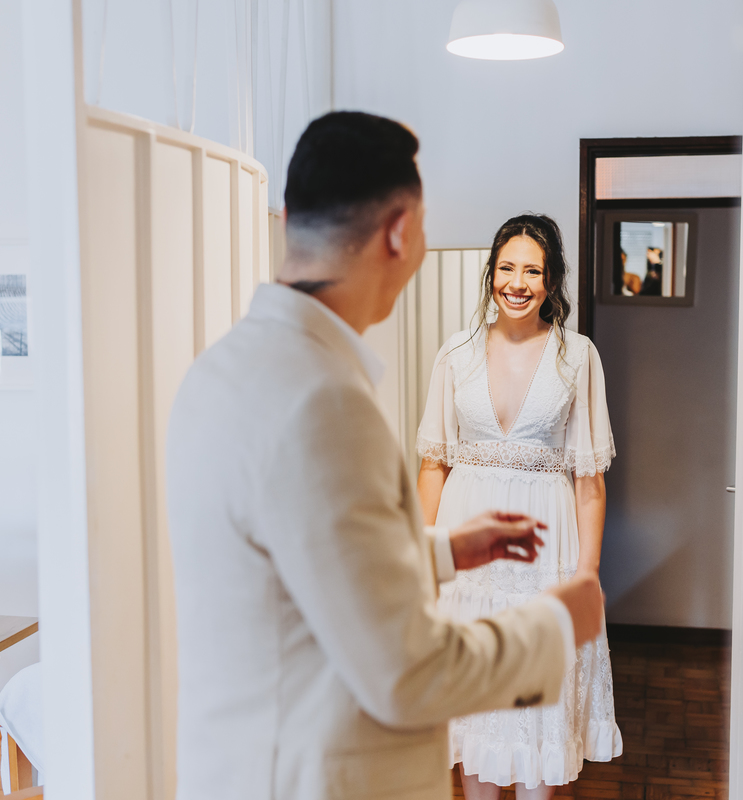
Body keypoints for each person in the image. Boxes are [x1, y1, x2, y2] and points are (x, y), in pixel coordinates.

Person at [166, 112, 606, 800]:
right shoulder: (324, 402)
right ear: (401, 233)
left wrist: (445, 550)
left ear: (290, 219)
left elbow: (310, 563)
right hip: (317, 777)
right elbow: (406, 673)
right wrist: (556, 626)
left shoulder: (218, 370)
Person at [416, 214, 622, 799]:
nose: (517, 282)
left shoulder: (576, 356)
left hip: (544, 557)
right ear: (492, 273)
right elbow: (433, 467)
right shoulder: (456, 353)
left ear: (551, 280)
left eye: (533, 271)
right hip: (467, 561)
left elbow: (589, 481)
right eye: (507, 267)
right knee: (472, 720)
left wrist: (587, 576)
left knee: (537, 725)